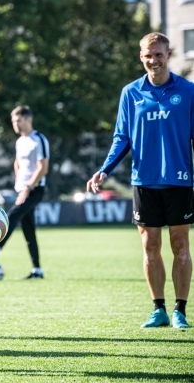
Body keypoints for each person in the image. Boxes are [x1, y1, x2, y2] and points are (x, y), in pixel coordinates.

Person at [87, 32, 194, 329]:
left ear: (169, 55)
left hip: (180, 182)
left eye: (158, 55)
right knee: (150, 247)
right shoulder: (130, 93)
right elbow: (122, 137)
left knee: (180, 244)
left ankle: (180, 311)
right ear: (141, 57)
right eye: (148, 56)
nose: (153, 60)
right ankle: (158, 308)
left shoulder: (188, 91)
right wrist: (104, 170)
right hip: (144, 181)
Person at [0, 106, 49, 279]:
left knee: (12, 216)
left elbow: (43, 167)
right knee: (28, 230)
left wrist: (27, 187)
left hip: (35, 189)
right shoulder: (20, 141)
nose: (15, 125)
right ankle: (37, 270)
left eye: (18, 121)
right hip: (22, 189)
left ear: (28, 120)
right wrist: (20, 182)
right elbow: (17, 163)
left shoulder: (39, 139)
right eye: (13, 122)